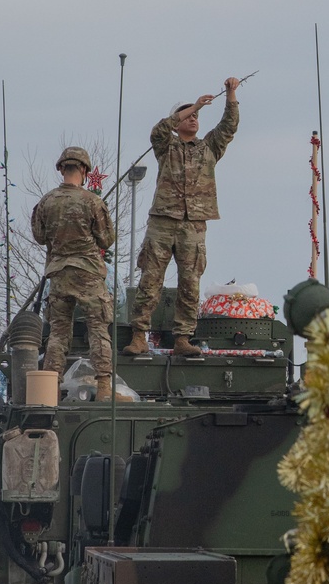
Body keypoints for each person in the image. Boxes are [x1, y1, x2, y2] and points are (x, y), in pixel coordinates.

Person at [124, 77, 240, 358]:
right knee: (150, 280)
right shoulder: (167, 146)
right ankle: (139, 336)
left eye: (197, 116)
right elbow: (158, 131)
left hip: (194, 223)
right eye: (188, 115)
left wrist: (231, 95)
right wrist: (194, 105)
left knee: (191, 282)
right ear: (178, 121)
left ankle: (183, 338)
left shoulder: (208, 147)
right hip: (163, 221)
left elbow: (228, 127)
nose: (194, 119)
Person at [31, 147, 116, 400]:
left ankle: (51, 389)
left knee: (57, 333)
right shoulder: (93, 202)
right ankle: (103, 388)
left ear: (61, 168)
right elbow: (107, 240)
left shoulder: (46, 202)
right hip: (88, 273)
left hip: (58, 274)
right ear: (84, 170)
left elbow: (39, 236)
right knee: (98, 330)